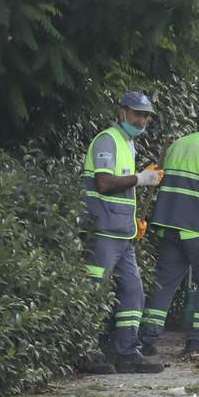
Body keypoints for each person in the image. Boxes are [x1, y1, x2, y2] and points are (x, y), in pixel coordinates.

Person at [78, 92, 166, 374]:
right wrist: (142, 179)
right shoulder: (108, 140)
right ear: (122, 113)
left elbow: (123, 190)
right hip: (103, 230)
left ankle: (127, 353)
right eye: (137, 114)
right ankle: (84, 353)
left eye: (146, 116)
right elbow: (103, 183)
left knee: (133, 293)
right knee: (93, 292)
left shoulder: (128, 144)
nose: (142, 120)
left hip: (122, 233)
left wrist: (132, 220)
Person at [141, 103, 199, 358]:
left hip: (169, 225)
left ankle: (147, 338)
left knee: (165, 283)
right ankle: (198, 342)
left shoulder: (177, 144)